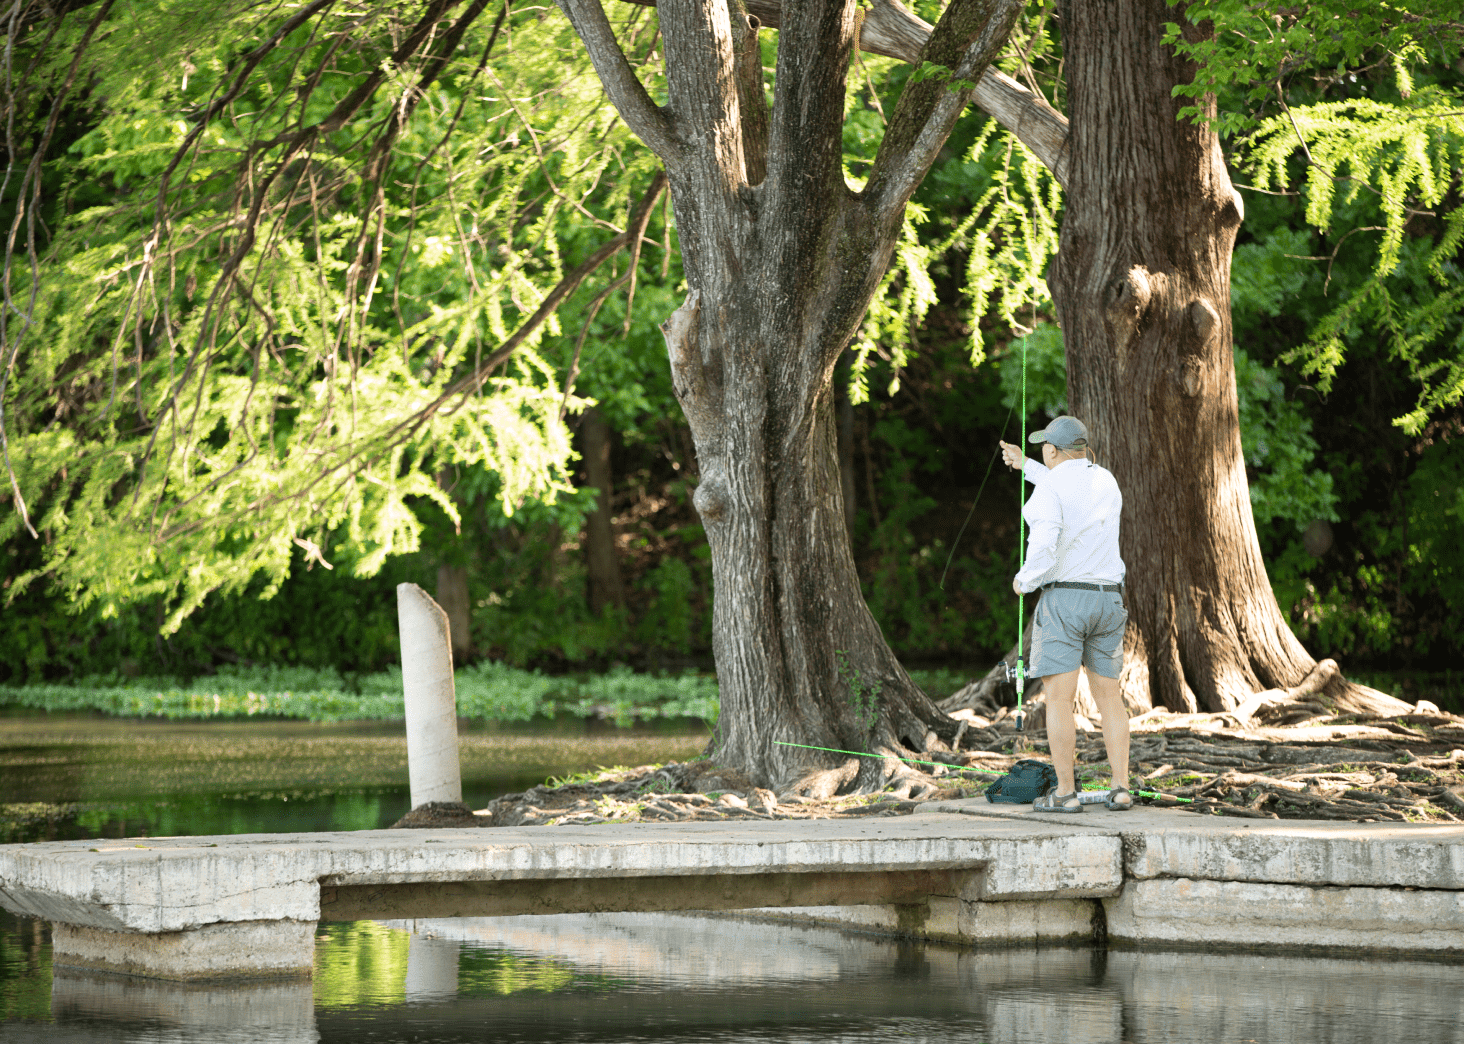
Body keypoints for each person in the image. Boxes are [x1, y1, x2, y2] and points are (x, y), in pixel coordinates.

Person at [998, 415, 1132, 813]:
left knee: (1059, 700)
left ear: (1053, 450)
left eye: (1043, 447)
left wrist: (1025, 579)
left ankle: (1066, 794)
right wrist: (1028, 467)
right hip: (1109, 601)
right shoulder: (1105, 480)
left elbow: (1044, 538)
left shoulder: (1051, 488)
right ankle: (1121, 788)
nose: (1042, 451)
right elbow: (1068, 488)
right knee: (1110, 699)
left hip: (1065, 603)